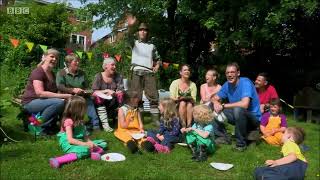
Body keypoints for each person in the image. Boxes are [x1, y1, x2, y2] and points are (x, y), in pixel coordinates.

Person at [212, 62, 261, 151]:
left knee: (238, 109)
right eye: (227, 73)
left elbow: (245, 104)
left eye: (232, 72)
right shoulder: (227, 84)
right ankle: (222, 137)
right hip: (238, 116)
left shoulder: (245, 82)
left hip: (253, 119)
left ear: (238, 73)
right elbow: (215, 98)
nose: (229, 75)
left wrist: (223, 105)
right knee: (212, 107)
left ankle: (241, 144)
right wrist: (216, 103)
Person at [22, 48, 71, 134]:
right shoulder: (38, 72)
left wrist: (66, 95)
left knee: (63, 102)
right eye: (52, 56)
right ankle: (37, 127)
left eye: (56, 58)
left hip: (42, 102)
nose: (54, 59)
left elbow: (54, 91)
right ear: (44, 57)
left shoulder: (52, 74)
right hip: (30, 103)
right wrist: (63, 96)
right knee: (58, 103)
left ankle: (63, 127)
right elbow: (40, 93)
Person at [49, 96, 107, 168]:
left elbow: (85, 136)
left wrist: (89, 142)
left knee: (102, 143)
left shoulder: (80, 121)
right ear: (78, 110)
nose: (86, 109)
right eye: (84, 107)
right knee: (84, 150)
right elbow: (70, 140)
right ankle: (58, 160)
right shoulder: (68, 121)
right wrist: (85, 144)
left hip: (78, 140)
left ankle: (92, 152)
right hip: (68, 142)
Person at [126, 15, 162, 122]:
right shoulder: (134, 43)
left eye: (145, 30)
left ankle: (155, 121)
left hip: (149, 73)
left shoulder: (152, 46)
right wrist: (130, 26)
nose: (143, 32)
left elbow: (158, 58)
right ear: (138, 32)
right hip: (136, 72)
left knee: (154, 96)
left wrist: (158, 65)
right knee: (135, 97)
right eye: (140, 30)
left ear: (147, 33)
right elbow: (128, 36)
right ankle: (137, 120)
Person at [56, 54, 100, 130]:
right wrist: (72, 90)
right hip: (67, 96)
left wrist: (86, 91)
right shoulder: (61, 73)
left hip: (81, 96)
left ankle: (95, 125)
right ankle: (69, 125)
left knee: (89, 101)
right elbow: (60, 86)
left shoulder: (82, 73)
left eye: (78, 61)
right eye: (75, 61)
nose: (78, 63)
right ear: (69, 63)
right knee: (76, 102)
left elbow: (86, 87)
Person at [92, 57, 124, 132]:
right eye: (112, 65)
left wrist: (116, 92)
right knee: (97, 96)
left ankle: (121, 121)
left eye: (115, 65)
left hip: (114, 99)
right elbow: (94, 91)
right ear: (106, 66)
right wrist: (106, 91)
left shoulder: (118, 76)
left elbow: (121, 88)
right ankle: (105, 124)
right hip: (101, 101)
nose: (114, 67)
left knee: (121, 94)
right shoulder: (98, 76)